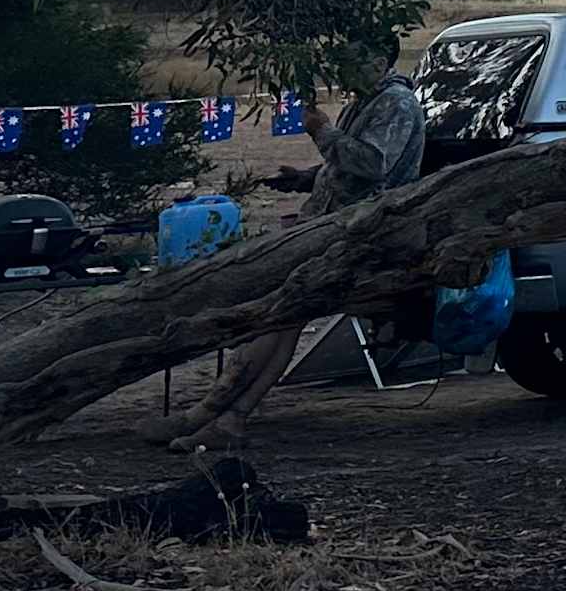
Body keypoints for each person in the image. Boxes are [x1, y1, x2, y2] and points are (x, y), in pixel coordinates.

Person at [173, 41, 429, 446]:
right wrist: (307, 177)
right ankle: (221, 414)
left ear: (379, 60)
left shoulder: (395, 103)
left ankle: (218, 412)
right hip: (330, 224)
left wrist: (321, 131)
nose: (341, 71)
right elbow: (349, 165)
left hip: (360, 231)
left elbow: (374, 164)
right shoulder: (368, 101)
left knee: (280, 313)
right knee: (283, 316)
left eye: (351, 60)